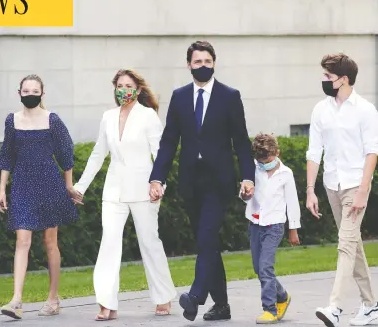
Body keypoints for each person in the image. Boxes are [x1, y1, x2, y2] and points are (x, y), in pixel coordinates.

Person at [149, 40, 255, 322]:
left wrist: (247, 176)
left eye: (208, 61)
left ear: (214, 63)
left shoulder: (230, 96)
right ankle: (222, 305)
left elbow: (241, 142)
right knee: (207, 244)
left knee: (207, 236)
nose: (203, 66)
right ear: (189, 65)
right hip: (190, 182)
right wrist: (157, 178)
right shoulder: (180, 96)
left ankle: (196, 296)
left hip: (219, 183)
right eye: (198, 62)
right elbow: (169, 142)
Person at [73, 69, 176, 321]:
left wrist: (158, 183)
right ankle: (107, 303)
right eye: (119, 85)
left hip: (145, 191)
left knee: (150, 243)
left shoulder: (148, 116)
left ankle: (163, 297)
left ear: (138, 90)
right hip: (113, 191)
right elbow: (98, 155)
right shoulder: (108, 117)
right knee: (109, 243)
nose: (123, 90)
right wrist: (80, 186)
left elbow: (160, 154)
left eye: (128, 85)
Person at [0, 74, 80, 319]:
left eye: (35, 91)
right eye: (26, 91)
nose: (30, 94)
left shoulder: (52, 120)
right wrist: (1, 188)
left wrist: (68, 186)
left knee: (50, 243)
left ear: (42, 94)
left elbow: (66, 154)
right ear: (19, 93)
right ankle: (16, 301)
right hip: (22, 186)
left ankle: (53, 298)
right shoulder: (12, 120)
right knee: (22, 241)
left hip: (49, 185)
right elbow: (6, 156)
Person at [306, 53, 378, 327]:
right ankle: (371, 306)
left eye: (328, 77)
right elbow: (314, 152)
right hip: (331, 185)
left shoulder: (365, 110)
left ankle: (335, 307)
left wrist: (363, 189)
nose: (324, 81)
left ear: (343, 79)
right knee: (354, 243)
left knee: (345, 245)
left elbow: (372, 152)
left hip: (355, 186)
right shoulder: (320, 110)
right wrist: (311, 190)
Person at [240, 133, 301, 324]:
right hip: (255, 224)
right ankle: (282, 296)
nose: (264, 163)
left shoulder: (286, 174)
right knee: (259, 269)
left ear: (277, 153)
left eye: (268, 159)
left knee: (266, 267)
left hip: (274, 225)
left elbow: (292, 203)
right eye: (260, 160)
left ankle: (270, 309)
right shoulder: (252, 170)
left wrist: (293, 229)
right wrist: (246, 194)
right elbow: (244, 196)